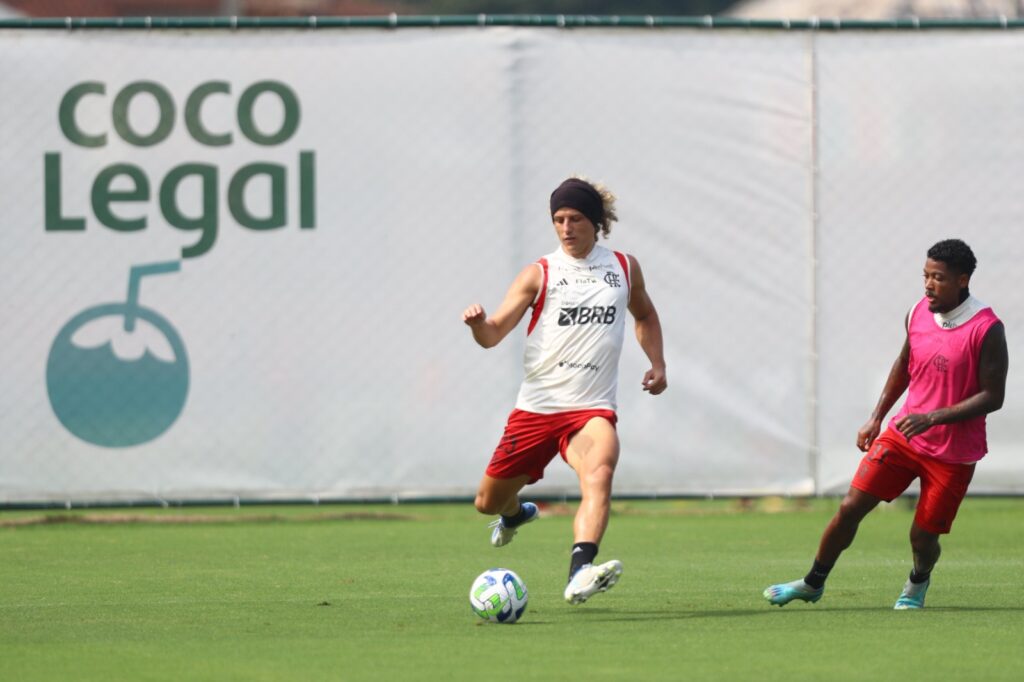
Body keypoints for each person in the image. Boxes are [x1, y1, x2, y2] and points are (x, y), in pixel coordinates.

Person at [764, 238, 1008, 610]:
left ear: (962, 280)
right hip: (903, 436)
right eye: (925, 276)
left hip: (953, 454)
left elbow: (994, 396)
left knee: (922, 537)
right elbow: (903, 365)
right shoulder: (917, 313)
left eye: (938, 278)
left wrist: (932, 418)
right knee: (850, 507)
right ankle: (813, 583)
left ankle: (918, 581)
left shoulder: (987, 328)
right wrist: (877, 417)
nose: (928, 284)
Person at [462, 176, 667, 605]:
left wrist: (658, 363)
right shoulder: (540, 273)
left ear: (595, 221)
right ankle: (516, 514)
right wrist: (479, 326)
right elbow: (494, 333)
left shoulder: (625, 268)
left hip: (590, 409)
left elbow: (644, 314)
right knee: (487, 501)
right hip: (537, 409)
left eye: (575, 218)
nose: (566, 227)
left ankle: (581, 572)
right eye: (558, 219)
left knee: (599, 476)